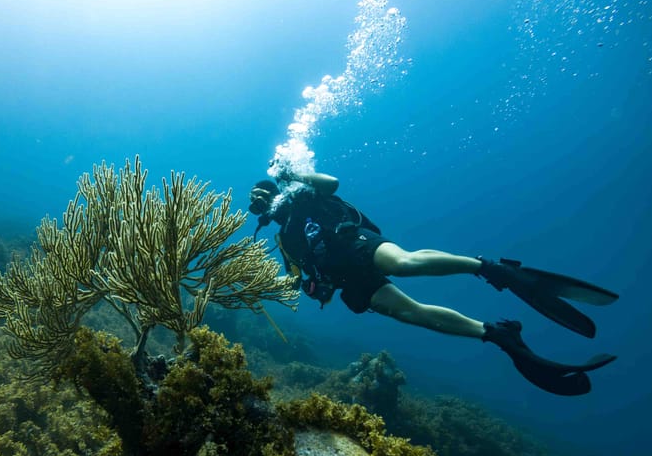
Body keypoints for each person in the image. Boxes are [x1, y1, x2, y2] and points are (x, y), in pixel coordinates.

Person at [248, 170, 619, 396]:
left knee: (404, 263)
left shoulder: (304, 195)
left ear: (276, 191)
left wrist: (291, 172)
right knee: (413, 314)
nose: (259, 202)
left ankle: (492, 269)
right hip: (348, 280)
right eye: (255, 201)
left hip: (355, 243)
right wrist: (275, 284)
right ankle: (497, 334)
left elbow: (332, 183)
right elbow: (295, 277)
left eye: (262, 194)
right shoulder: (283, 238)